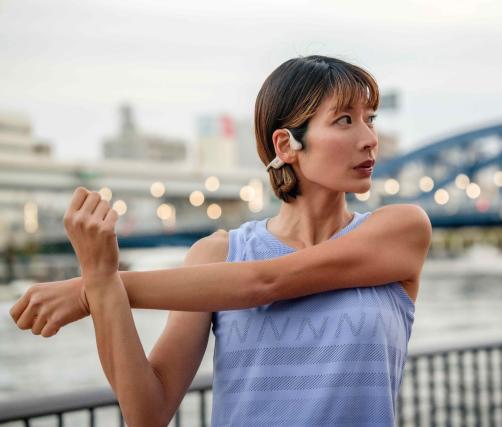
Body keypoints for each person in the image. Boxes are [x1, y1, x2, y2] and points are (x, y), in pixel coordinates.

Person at [10, 55, 431, 426]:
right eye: (345, 120)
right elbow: (147, 414)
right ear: (286, 144)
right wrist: (101, 283)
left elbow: (264, 283)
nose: (369, 138)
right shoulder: (218, 254)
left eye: (370, 118)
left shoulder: (400, 232)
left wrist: (94, 289)